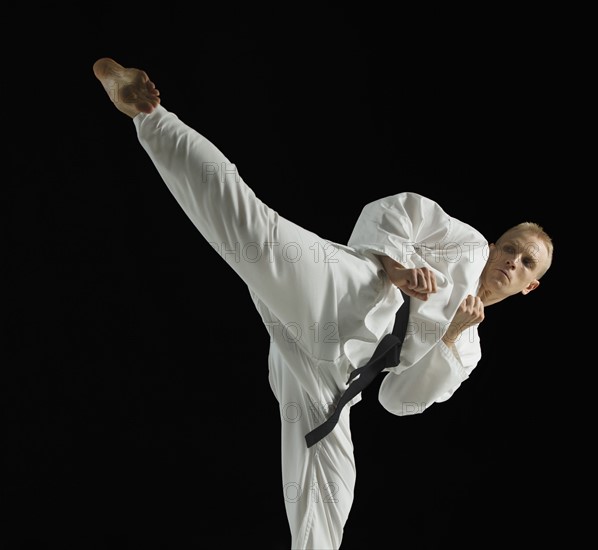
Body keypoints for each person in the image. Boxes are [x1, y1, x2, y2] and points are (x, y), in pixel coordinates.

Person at [92, 58, 553, 549]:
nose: (512, 261)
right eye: (511, 248)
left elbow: (397, 400)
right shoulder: (468, 246)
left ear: (530, 287)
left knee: (332, 492)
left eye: (527, 263)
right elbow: (397, 210)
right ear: (498, 244)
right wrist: (396, 267)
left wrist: (454, 332)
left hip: (333, 375)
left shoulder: (468, 351)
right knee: (254, 232)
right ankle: (149, 114)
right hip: (350, 292)